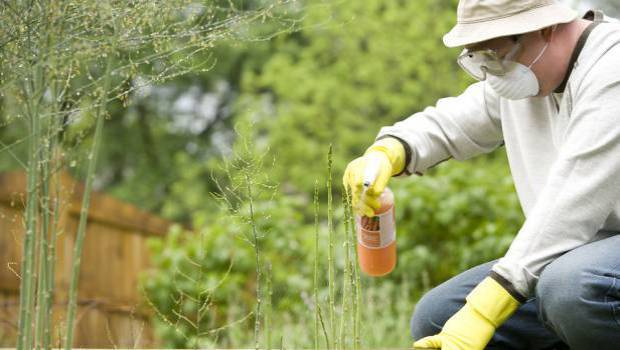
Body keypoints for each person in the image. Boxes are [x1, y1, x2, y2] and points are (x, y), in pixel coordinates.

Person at [342, 1, 620, 349]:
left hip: (593, 264)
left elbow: (573, 202)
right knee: (439, 316)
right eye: (479, 60)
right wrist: (390, 151)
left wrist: (486, 310)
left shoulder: (612, 69)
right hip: (586, 256)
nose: (492, 72)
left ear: (545, 28)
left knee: (571, 288)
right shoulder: (528, 75)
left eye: (494, 55)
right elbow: (455, 121)